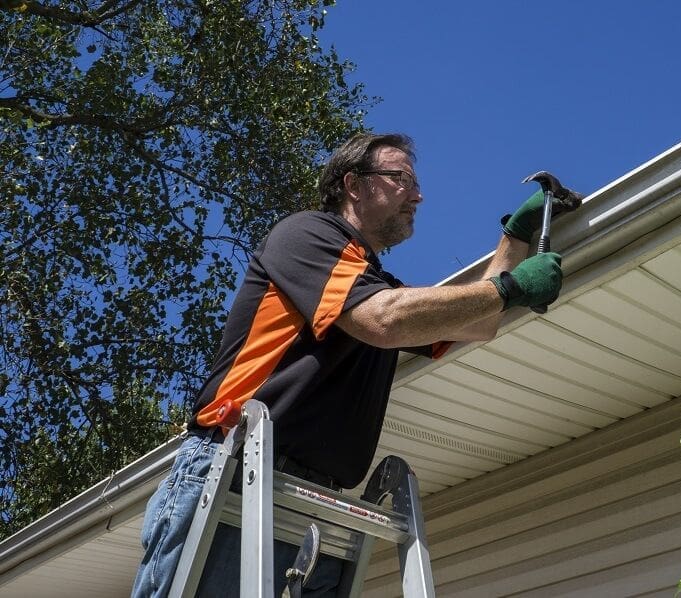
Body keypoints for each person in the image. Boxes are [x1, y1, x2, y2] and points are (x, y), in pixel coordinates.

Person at [132, 132, 581, 597]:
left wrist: (514, 238)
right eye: (400, 178)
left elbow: (476, 324)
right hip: (232, 472)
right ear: (354, 184)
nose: (418, 194)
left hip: (310, 499)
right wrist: (509, 289)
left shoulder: (372, 283)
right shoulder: (306, 235)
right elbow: (383, 320)